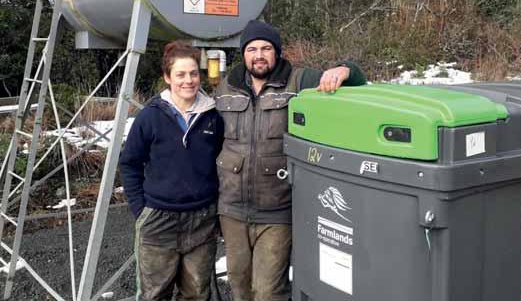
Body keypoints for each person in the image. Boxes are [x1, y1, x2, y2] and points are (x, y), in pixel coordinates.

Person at [215, 20, 367, 301]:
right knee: (239, 286)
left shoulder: (300, 81)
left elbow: (355, 83)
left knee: (268, 291)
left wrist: (345, 69)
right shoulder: (226, 87)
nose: (259, 55)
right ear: (243, 54)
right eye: (252, 49)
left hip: (277, 210)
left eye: (266, 48)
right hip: (232, 209)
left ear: (277, 52)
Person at [119, 41, 224, 301]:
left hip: (202, 219)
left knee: (197, 294)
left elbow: (221, 162)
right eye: (180, 74)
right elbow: (130, 163)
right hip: (159, 220)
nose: (188, 80)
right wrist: (141, 210)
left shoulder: (213, 116)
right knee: (155, 295)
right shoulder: (150, 117)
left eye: (193, 73)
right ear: (167, 77)